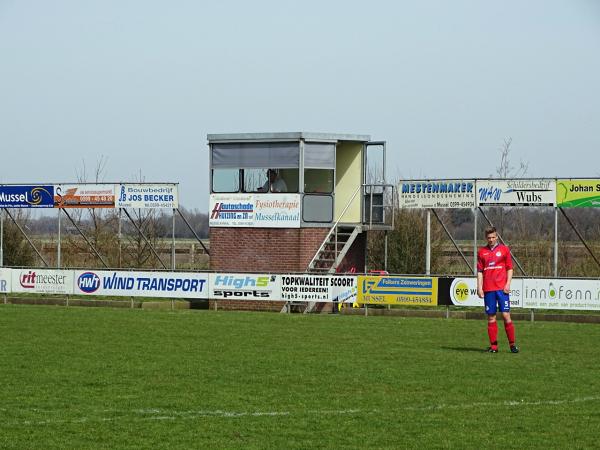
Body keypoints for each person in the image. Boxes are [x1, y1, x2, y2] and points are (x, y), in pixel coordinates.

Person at [477, 226, 519, 353]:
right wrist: (479, 287)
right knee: (491, 317)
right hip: (489, 289)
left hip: (501, 288)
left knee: (506, 315)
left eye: (493, 237)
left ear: (497, 236)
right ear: (486, 238)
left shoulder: (504, 250)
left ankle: (512, 345)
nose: (491, 239)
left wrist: (508, 284)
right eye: (489, 238)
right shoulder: (481, 252)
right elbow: (479, 271)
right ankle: (494, 347)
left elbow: (509, 268)